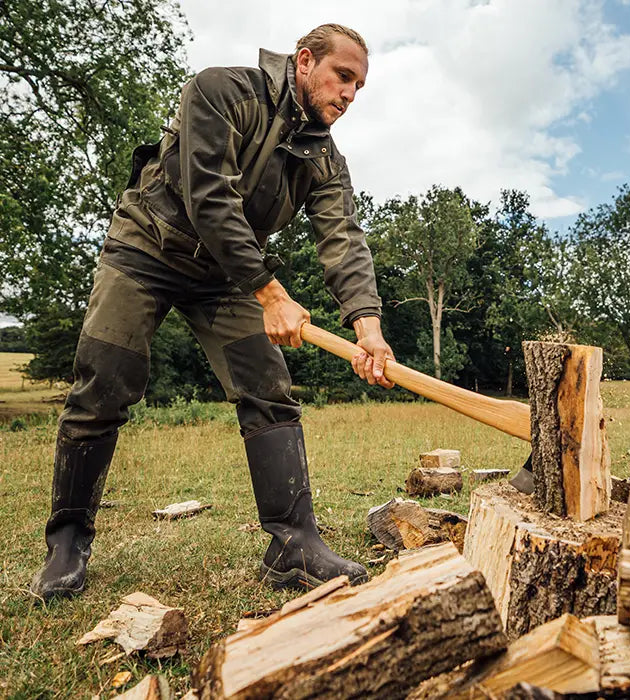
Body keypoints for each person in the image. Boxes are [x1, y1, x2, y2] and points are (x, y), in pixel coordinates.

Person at [30, 23, 395, 601]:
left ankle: (293, 545)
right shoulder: (222, 91)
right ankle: (68, 542)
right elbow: (209, 197)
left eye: (359, 87)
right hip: (148, 247)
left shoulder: (323, 159)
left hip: (225, 276)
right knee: (103, 382)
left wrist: (367, 327)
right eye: (342, 76)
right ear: (304, 62)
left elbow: (343, 239)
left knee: (268, 387)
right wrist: (272, 294)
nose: (350, 94)